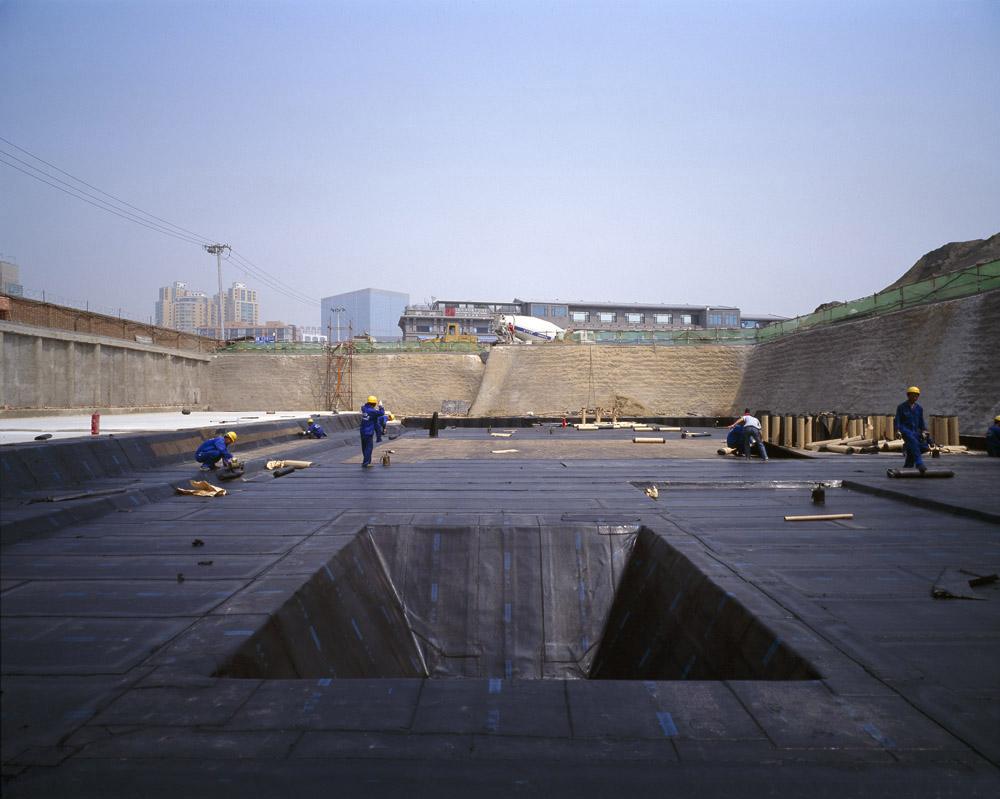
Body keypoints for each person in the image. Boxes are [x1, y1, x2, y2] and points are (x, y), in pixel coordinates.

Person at [895, 386, 929, 472]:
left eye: (916, 395)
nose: (915, 397)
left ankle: (909, 463)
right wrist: (898, 430)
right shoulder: (901, 407)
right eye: (913, 395)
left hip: (915, 431)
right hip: (905, 430)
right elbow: (897, 420)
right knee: (913, 441)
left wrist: (924, 431)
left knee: (924, 447)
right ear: (908, 395)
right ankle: (919, 463)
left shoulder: (919, 408)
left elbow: (921, 421)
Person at [360, 395, 386, 468]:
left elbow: (363, 406)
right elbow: (381, 413)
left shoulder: (364, 409)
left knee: (364, 447)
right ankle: (366, 463)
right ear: (374, 404)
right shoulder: (372, 411)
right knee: (369, 447)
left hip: (362, 431)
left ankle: (366, 461)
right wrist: (381, 406)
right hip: (368, 432)